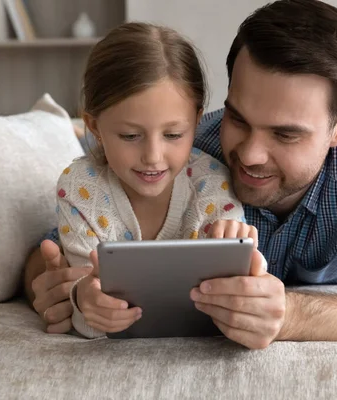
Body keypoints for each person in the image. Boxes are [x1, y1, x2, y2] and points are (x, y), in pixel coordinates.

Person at [25, 0, 337, 349]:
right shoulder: (189, 147)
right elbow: (66, 240)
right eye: (238, 118)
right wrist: (49, 288)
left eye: (285, 133)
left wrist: (290, 315)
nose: (249, 154)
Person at [53, 22, 257, 338]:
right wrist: (85, 300)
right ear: (94, 126)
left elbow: (243, 305)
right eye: (130, 135)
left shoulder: (213, 183)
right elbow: (86, 318)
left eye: (174, 134)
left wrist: (246, 256)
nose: (153, 156)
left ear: (197, 121)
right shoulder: (79, 188)